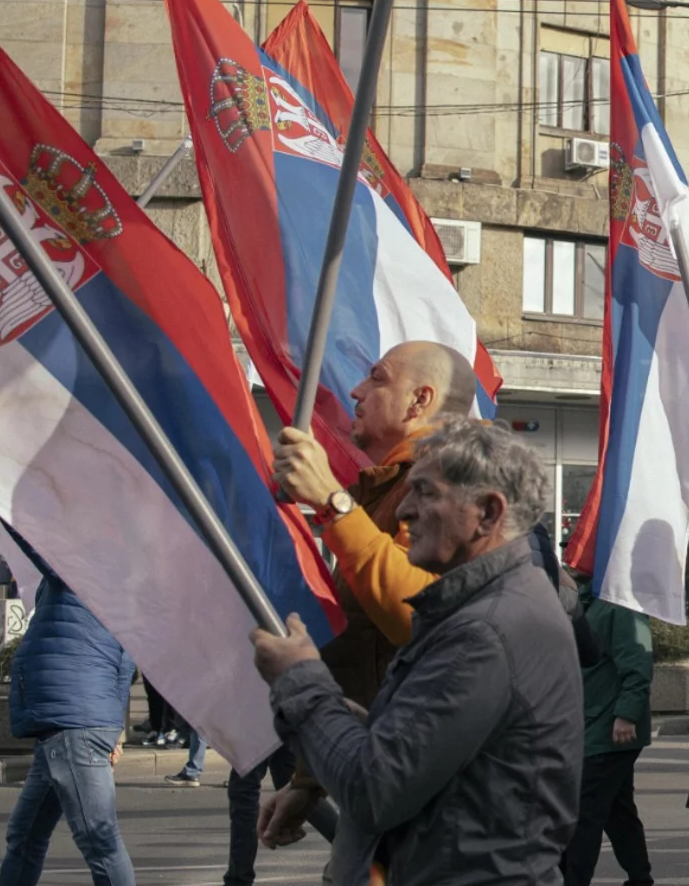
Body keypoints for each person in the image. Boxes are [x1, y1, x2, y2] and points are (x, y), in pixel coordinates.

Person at [250, 418, 583, 886]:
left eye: (425, 492)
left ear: (488, 512)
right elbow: (428, 749)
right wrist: (336, 719)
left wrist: (300, 680)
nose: (404, 510)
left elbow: (375, 789)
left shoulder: (484, 630)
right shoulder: (489, 607)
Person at [257, 340, 477, 847]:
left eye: (377, 378)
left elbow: (416, 617)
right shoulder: (382, 491)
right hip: (386, 776)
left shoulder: (452, 479)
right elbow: (364, 649)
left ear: (420, 401)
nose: (355, 391)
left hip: (429, 795)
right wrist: (308, 783)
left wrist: (332, 505)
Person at [0, 527, 136, 886]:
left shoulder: (86, 565)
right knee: (24, 837)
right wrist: (116, 729)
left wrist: (1, 491)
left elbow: (33, 539)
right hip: (69, 723)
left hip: (74, 723)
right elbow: (125, 662)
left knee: (99, 841)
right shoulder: (118, 580)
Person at [562, 577, 656, 886]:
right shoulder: (589, 599)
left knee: (582, 815)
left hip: (609, 730)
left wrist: (626, 714)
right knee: (618, 814)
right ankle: (640, 879)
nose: (570, 559)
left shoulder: (622, 603)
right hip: (594, 725)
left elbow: (638, 661)